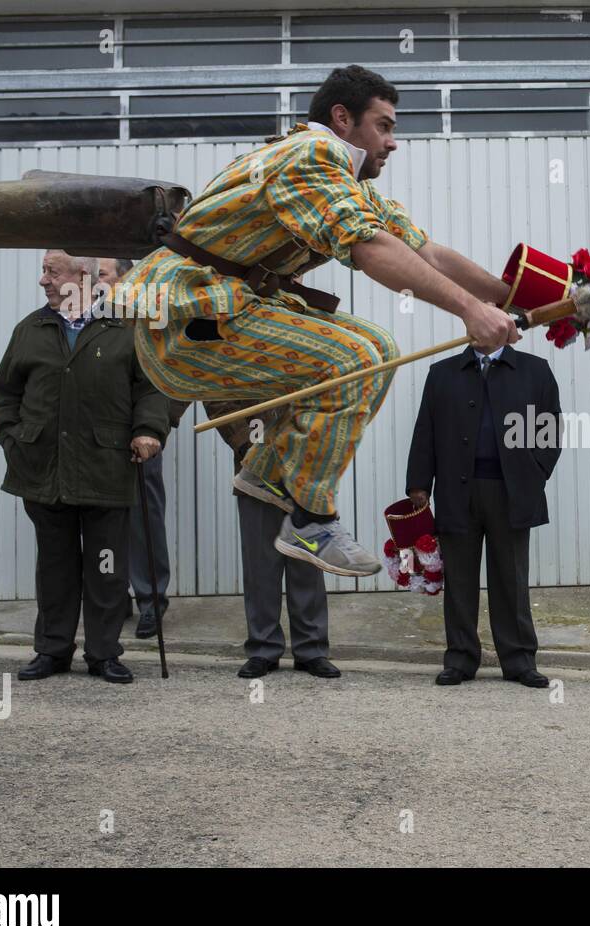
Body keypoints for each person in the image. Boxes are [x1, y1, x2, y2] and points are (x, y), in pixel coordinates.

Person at [128, 65, 519, 579]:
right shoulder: (312, 153)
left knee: (378, 346)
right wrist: (469, 311)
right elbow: (370, 247)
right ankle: (311, 519)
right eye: (384, 125)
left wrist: (504, 294)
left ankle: (265, 473)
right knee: (353, 357)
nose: (393, 142)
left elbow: (424, 251)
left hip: (225, 311)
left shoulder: (345, 178)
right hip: (183, 323)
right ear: (342, 117)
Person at [0, 250, 169, 684]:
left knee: (106, 566)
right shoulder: (31, 329)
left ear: (82, 278)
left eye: (52, 271)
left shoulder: (126, 326)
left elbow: (155, 388)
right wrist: (11, 437)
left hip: (106, 469)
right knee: (55, 567)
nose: (43, 280)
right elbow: (5, 395)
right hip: (43, 472)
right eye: (44, 271)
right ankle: (52, 651)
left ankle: (104, 654)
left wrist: (148, 430)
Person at [406, 342, 562, 688]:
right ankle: (460, 659)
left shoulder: (534, 370)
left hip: (513, 493)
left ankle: (520, 660)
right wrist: (419, 485)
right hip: (456, 490)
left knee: (511, 578)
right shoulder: (442, 374)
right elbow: (425, 431)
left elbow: (550, 430)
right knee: (459, 579)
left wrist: (534, 471)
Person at [205, 400, 338, 679]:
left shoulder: (311, 356)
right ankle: (262, 648)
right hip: (255, 470)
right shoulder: (239, 355)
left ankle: (311, 650)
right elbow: (219, 400)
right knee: (260, 565)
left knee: (307, 562)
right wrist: (249, 446)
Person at [99, 256, 187, 637]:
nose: (94, 281)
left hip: (140, 437)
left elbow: (176, 371)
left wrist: (159, 425)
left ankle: (151, 600)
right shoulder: (90, 320)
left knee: (143, 520)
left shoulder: (149, 319)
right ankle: (112, 597)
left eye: (102, 274)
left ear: (123, 278)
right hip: (97, 441)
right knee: (101, 524)